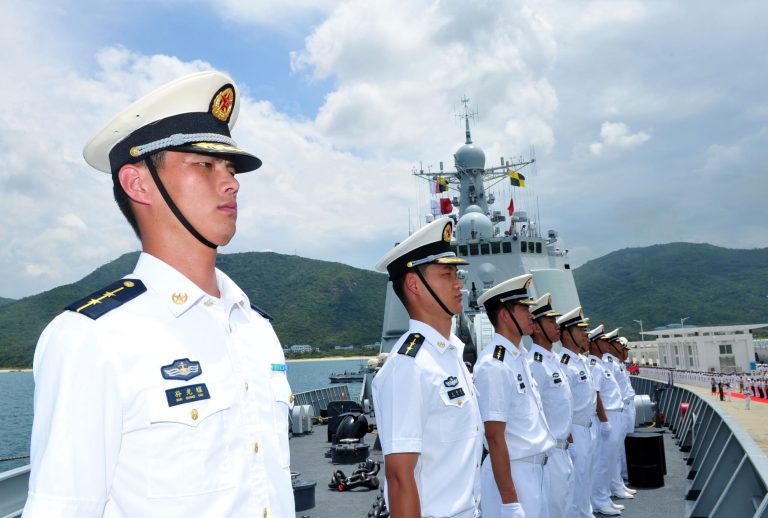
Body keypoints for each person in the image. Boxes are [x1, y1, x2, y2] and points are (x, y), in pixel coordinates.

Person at [23, 71, 295, 517]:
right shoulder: (93, 338)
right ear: (138, 184)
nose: (232, 183)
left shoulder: (255, 327)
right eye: (204, 165)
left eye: (229, 168)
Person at [372, 217, 483, 518]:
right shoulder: (409, 366)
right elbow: (399, 478)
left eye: (456, 273)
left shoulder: (451, 355)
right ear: (413, 284)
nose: (458, 283)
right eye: (447, 274)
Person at [473, 274, 555, 518]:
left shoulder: (518, 357)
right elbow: (495, 437)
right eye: (524, 309)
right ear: (504, 315)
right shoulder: (494, 365)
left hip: (535, 470)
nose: (532, 315)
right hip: (514, 475)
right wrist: (510, 503)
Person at [528, 293, 574, 518]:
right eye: (550, 322)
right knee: (554, 509)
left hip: (563, 447)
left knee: (565, 505)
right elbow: (536, 411)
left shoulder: (552, 360)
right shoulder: (534, 364)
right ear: (535, 327)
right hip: (550, 451)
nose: (557, 326)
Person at [557, 306, 600, 518]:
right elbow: (564, 405)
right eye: (579, 329)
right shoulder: (563, 364)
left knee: (586, 477)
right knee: (576, 481)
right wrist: (571, 439)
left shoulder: (581, 360)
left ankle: (586, 512)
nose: (585, 333)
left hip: (588, 427)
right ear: (566, 334)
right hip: (575, 430)